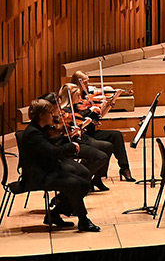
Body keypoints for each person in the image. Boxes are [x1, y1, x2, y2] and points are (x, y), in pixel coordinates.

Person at [19, 99, 100, 232]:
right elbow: (52, 152)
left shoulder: (39, 129)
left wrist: (67, 138)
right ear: (41, 115)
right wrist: (72, 147)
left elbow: (50, 146)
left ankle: (55, 215)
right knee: (78, 185)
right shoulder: (33, 133)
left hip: (46, 170)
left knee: (82, 182)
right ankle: (83, 220)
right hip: (38, 175)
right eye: (50, 113)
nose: (54, 115)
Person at [69, 72, 134, 181]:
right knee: (107, 145)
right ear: (78, 83)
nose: (88, 84)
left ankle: (124, 168)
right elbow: (79, 118)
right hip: (84, 135)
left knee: (116, 135)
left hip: (92, 132)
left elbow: (99, 115)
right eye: (85, 82)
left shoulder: (89, 96)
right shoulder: (74, 99)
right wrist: (90, 111)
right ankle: (98, 177)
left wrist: (111, 102)